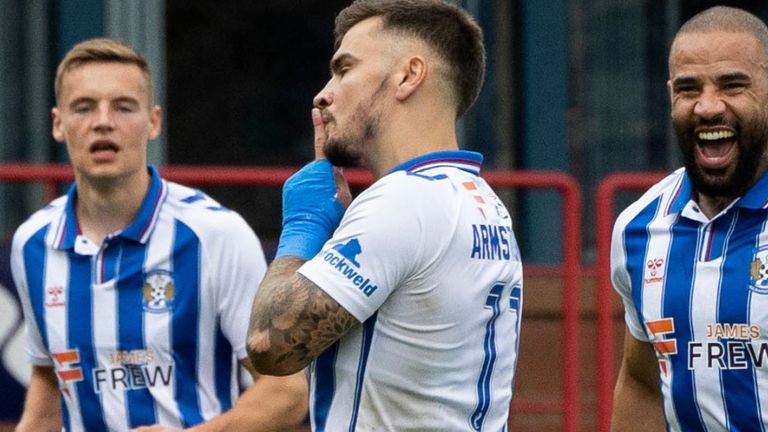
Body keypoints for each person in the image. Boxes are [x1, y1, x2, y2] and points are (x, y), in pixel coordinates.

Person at [246, 0, 523, 430]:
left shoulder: (404, 199)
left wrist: (303, 227)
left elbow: (269, 343)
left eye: (345, 68)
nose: (323, 93)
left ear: (409, 75)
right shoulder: (484, 203)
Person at [10, 38, 307, 432]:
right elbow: (49, 382)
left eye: (123, 106)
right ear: (58, 124)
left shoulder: (216, 235)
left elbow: (286, 392)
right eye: (84, 107)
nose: (103, 121)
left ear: (153, 121)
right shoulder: (32, 244)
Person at [611, 6, 768, 431]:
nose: (708, 106)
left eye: (733, 85)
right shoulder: (637, 229)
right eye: (688, 88)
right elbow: (643, 381)